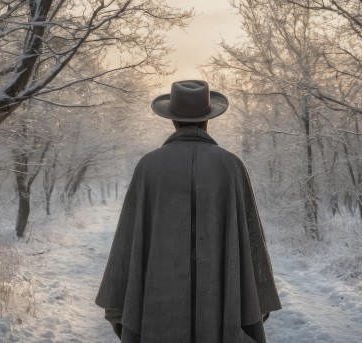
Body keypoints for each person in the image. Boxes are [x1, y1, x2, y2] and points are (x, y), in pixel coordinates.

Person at [95, 80, 282, 342]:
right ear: (208, 119)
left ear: (172, 120)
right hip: (220, 306)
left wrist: (122, 308)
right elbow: (250, 243)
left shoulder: (149, 166)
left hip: (156, 311)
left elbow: (128, 243)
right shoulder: (231, 166)